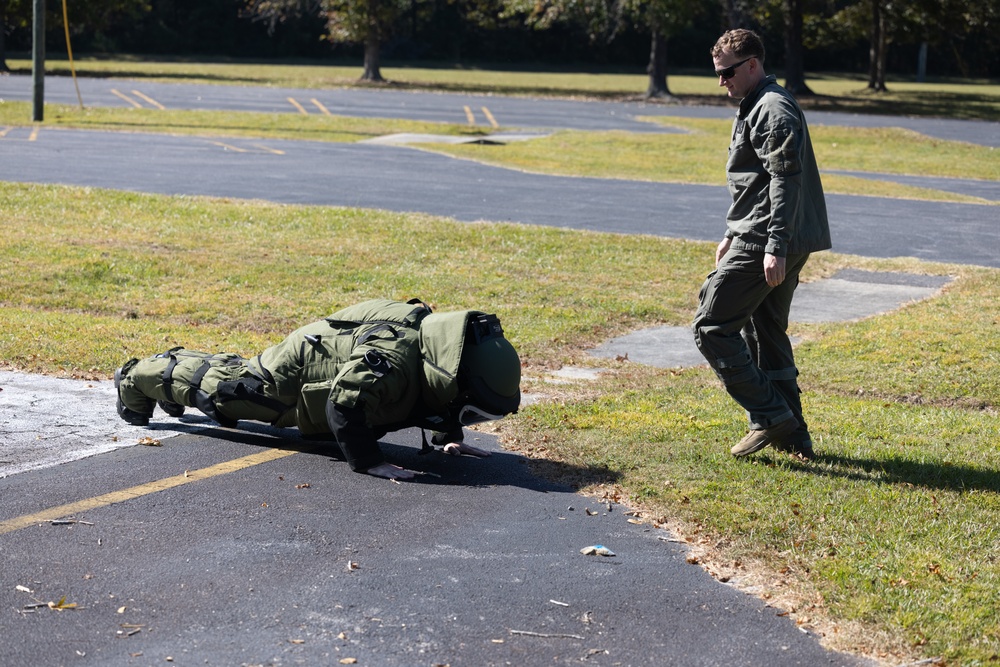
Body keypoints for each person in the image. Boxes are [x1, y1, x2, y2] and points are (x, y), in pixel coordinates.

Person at [115, 298, 522, 480]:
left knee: (227, 382)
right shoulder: (392, 364)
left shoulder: (447, 350)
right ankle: (135, 378)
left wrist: (449, 435)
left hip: (337, 358)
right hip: (300, 369)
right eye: (473, 414)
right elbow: (343, 406)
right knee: (225, 391)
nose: (472, 419)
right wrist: (369, 461)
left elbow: (445, 389)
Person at [692, 29, 831, 461]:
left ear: (753, 64)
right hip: (762, 235)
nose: (722, 82)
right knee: (765, 332)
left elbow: (784, 182)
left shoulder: (772, 108)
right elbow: (754, 183)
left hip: (768, 241)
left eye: (728, 72)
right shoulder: (754, 103)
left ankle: (770, 416)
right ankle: (795, 438)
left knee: (712, 327)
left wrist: (774, 246)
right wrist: (732, 231)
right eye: (718, 73)